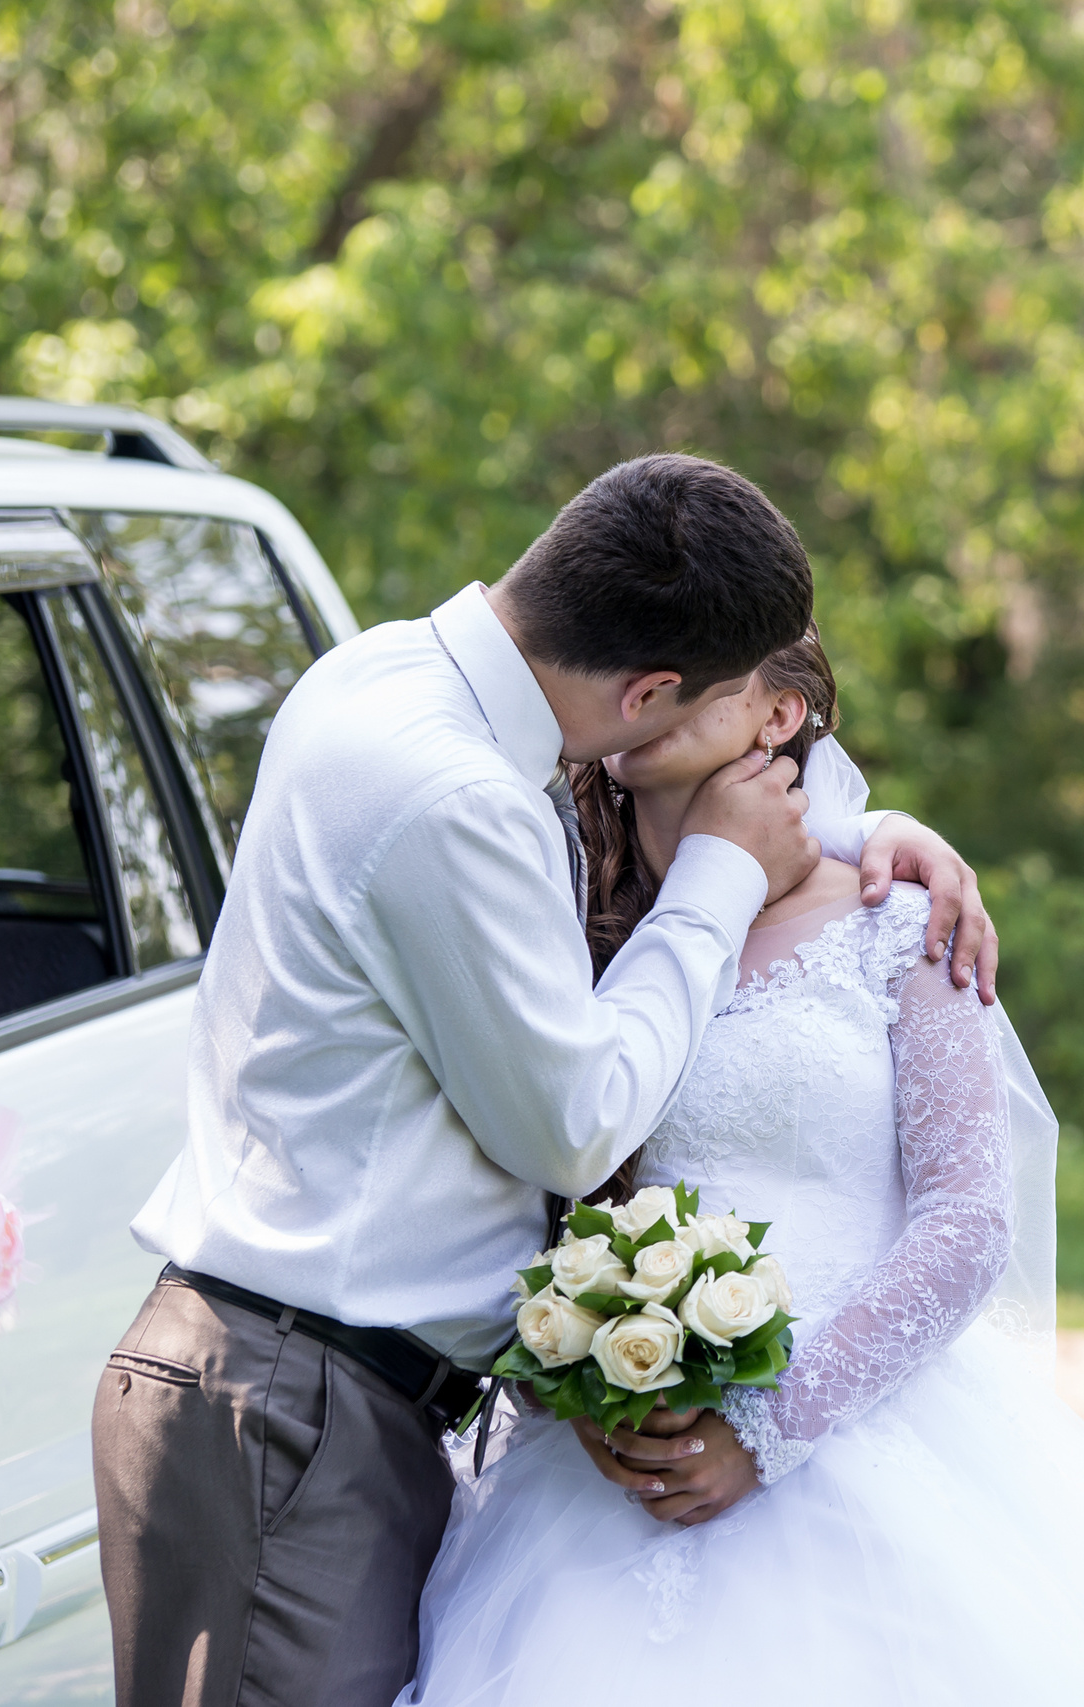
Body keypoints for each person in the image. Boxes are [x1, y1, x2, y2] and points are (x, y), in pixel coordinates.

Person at [94, 455, 998, 1707]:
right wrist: (722, 877)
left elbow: (966, 1214)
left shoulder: (378, 675)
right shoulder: (463, 798)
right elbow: (574, 1134)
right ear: (649, 692)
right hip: (299, 1400)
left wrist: (870, 834)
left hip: (335, 1398)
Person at [398, 628, 1084, 1707]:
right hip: (602, 1474)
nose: (643, 687)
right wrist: (592, 1389)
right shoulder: (575, 932)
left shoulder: (898, 924)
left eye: (693, 672)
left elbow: (966, 1221)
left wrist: (764, 1431)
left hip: (856, 1433)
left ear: (780, 715)